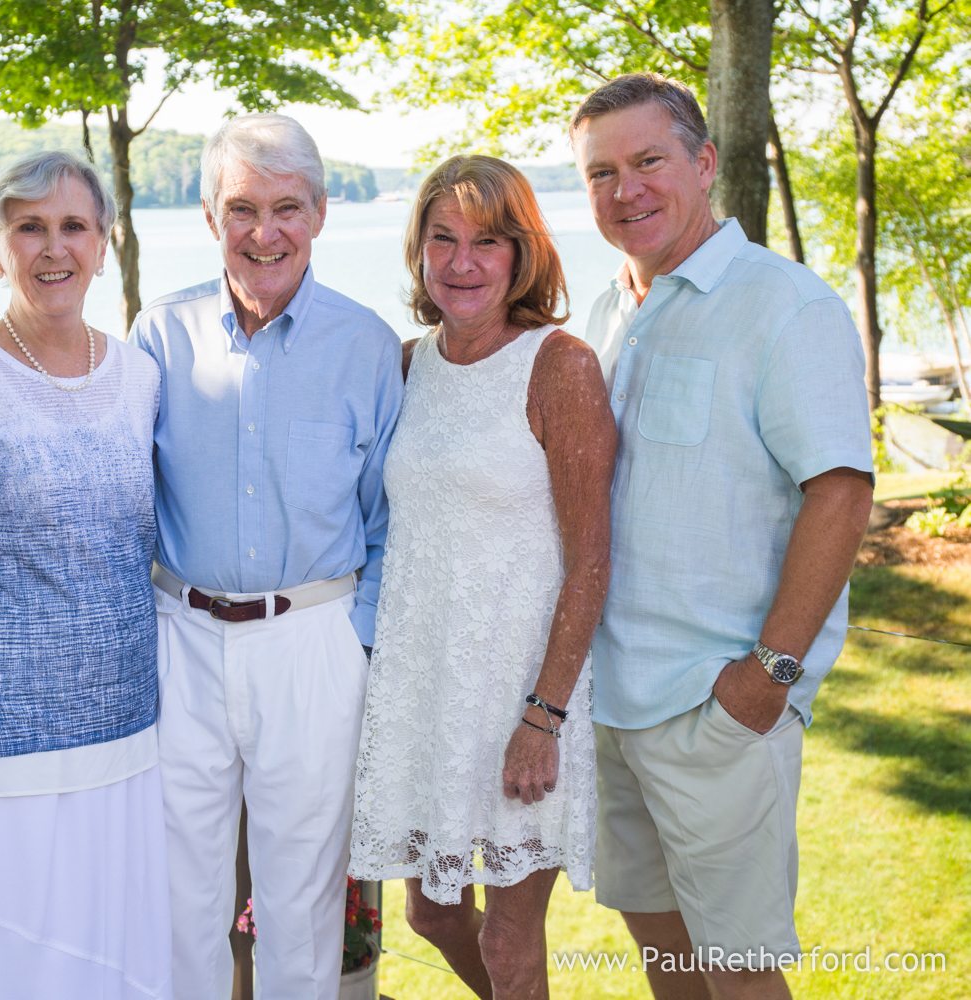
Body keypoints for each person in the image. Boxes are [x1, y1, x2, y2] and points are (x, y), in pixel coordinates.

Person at [570, 74, 875, 1000]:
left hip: (716, 709)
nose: (627, 192)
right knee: (667, 965)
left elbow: (842, 492)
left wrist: (768, 678)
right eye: (601, 173)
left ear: (704, 164)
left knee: (742, 980)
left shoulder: (783, 305)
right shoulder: (605, 313)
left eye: (649, 161)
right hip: (610, 709)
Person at [129, 113, 404, 999]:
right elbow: (117, 490)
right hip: (184, 638)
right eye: (241, 208)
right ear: (210, 216)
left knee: (303, 899)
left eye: (287, 208)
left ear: (320, 214)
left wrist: (353, 642)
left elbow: (388, 519)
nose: (264, 232)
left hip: (313, 643)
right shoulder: (158, 337)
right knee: (181, 894)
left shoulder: (364, 345)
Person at [349, 155, 616, 999]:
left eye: (488, 242)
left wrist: (543, 716)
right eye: (443, 239)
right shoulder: (403, 364)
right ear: (419, 249)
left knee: (508, 936)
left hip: (520, 694)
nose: (462, 263)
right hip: (423, 690)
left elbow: (591, 562)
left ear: (522, 253)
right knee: (429, 916)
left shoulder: (559, 364)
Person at [0, 150, 172, 1000]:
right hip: (3, 734)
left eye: (72, 226)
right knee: (20, 962)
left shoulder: (142, 377)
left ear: (104, 243)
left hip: (133, 719)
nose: (52, 248)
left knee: (120, 953)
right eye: (29, 227)